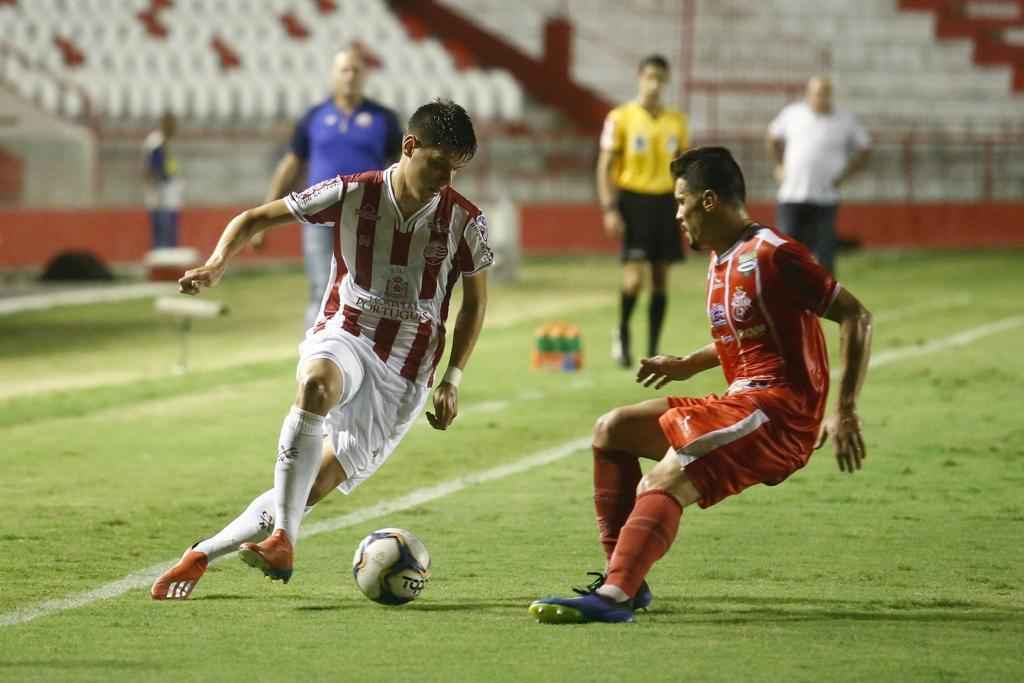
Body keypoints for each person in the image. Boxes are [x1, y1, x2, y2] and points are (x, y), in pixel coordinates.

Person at [151, 100, 492, 600]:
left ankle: (203, 552)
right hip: (347, 331)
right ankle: (284, 540)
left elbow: (474, 304)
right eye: (439, 163)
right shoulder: (353, 192)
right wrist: (218, 262)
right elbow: (253, 218)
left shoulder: (466, 221)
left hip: (404, 374)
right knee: (315, 383)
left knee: (305, 490)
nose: (445, 178)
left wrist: (453, 379)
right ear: (409, 147)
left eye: (456, 170)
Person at [529, 147, 873, 624]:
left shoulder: (775, 254)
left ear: (709, 201)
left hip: (779, 414)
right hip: (742, 403)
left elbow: (855, 315)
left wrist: (846, 409)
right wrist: (689, 363)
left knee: (667, 476)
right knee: (613, 429)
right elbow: (750, 330)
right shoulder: (720, 259)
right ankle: (625, 575)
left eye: (681, 200)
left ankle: (613, 597)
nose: (676, 212)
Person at [255, 46, 404, 328]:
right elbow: (291, 165)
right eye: (344, 70)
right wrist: (264, 216)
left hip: (370, 218)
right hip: (319, 217)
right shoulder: (314, 118)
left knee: (369, 290)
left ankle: (364, 356)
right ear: (333, 75)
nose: (350, 76)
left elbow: (403, 166)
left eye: (356, 70)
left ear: (365, 76)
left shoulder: (384, 119)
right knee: (321, 289)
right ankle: (316, 359)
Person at [596, 54, 689, 369]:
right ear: (639, 77)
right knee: (634, 279)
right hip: (633, 201)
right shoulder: (620, 117)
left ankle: (652, 347)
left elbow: (683, 167)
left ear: (666, 81)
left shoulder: (676, 121)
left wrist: (684, 204)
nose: (654, 83)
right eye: (649, 76)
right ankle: (622, 332)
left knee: (661, 278)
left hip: (665, 201)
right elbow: (605, 166)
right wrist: (609, 208)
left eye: (660, 78)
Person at [767, 76, 871, 274]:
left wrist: (847, 174)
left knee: (825, 254)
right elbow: (772, 137)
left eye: (825, 93)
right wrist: (779, 165)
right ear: (808, 94)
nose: (820, 98)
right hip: (792, 194)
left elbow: (865, 148)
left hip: (825, 197)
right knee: (785, 251)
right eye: (817, 93)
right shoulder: (792, 114)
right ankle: (785, 297)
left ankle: (825, 300)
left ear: (830, 95)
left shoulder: (844, 119)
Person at [142, 112, 183, 248]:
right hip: (160, 193)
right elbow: (154, 167)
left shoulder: (164, 141)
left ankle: (167, 252)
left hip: (167, 192)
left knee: (169, 228)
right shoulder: (157, 142)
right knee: (163, 229)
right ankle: (163, 253)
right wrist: (163, 180)